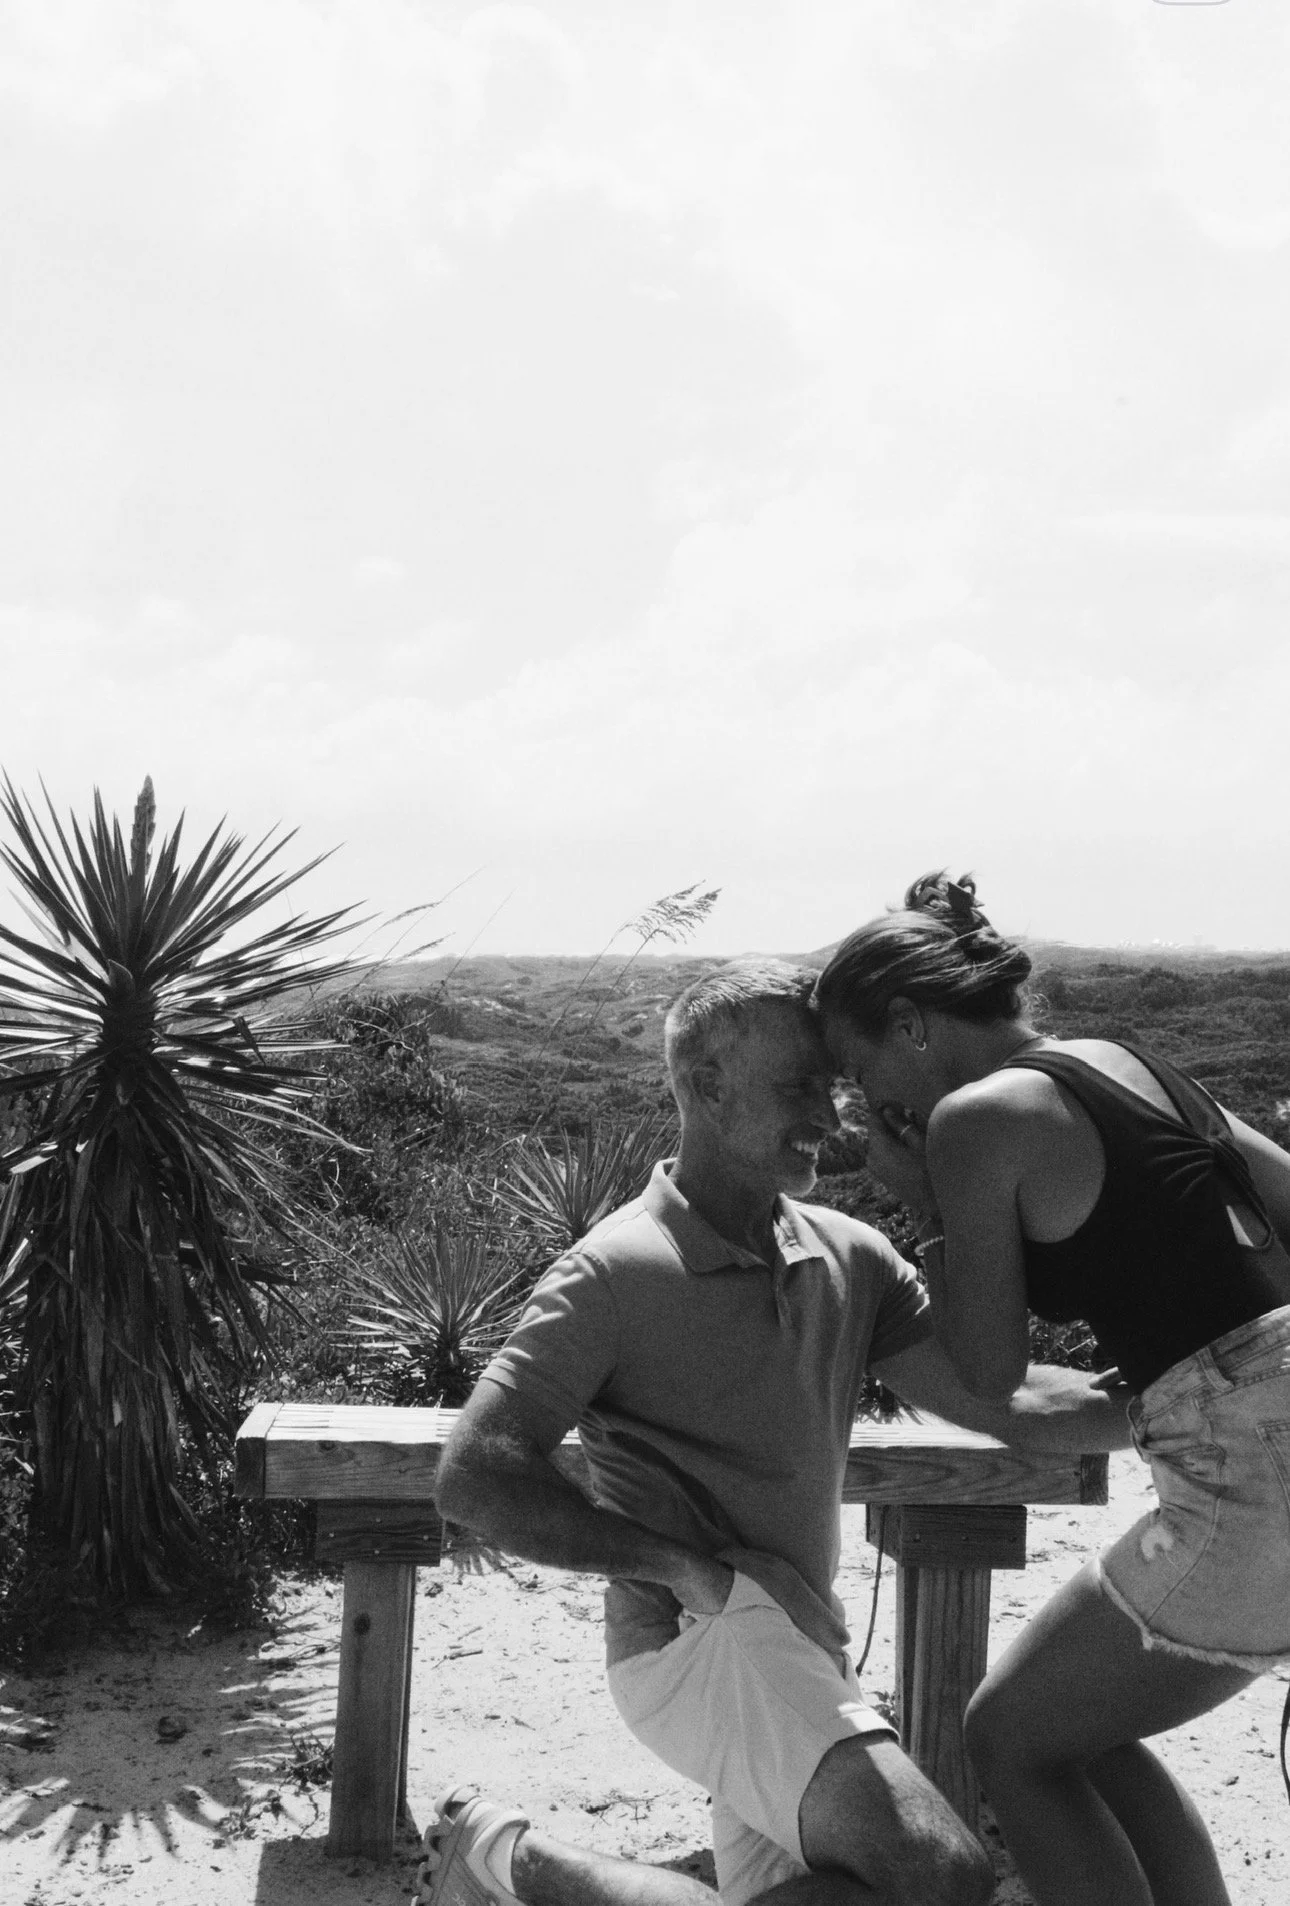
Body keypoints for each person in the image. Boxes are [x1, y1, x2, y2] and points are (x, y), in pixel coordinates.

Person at [424, 959, 1130, 1906]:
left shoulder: (851, 1256)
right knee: (943, 1874)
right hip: (696, 1640)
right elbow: (475, 1475)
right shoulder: (616, 1273)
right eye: (799, 1086)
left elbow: (1009, 1402)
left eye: (832, 1086)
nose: (831, 1116)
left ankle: (501, 1858)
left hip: (799, 1642)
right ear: (705, 1086)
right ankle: (509, 1861)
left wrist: (1187, 1401)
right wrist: (693, 1572)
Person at [814, 873, 1290, 1906]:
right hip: (1262, 1437)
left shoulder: (975, 1124)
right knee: (1081, 1724)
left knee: (1007, 1737)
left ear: (912, 1022)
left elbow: (987, 1365)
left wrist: (926, 1200)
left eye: (863, 1069)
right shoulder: (1127, 1061)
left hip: (1246, 1481)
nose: (871, 1103)